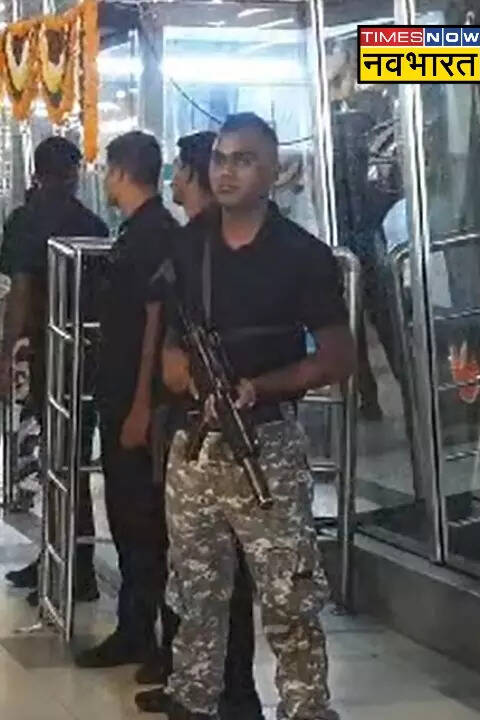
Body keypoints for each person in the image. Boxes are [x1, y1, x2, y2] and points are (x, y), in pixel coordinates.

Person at [155, 113, 354, 720]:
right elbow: (169, 352)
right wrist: (196, 383)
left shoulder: (301, 255)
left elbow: (338, 357)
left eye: (243, 160)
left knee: (290, 596)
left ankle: (305, 707)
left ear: (274, 171)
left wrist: (259, 387)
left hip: (267, 447)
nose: (226, 172)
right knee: (195, 592)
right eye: (220, 159)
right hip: (196, 449)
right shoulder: (188, 246)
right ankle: (194, 698)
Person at [136, 130, 265, 720]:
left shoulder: (245, 248)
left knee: (226, 570)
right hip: (188, 420)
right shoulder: (189, 247)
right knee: (191, 568)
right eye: (218, 164)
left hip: (238, 428)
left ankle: (232, 691)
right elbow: (165, 335)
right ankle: (192, 681)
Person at [0, 136, 109, 604]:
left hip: (49, 352)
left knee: (57, 462)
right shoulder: (92, 223)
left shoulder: (26, 221)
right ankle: (64, 559)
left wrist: (7, 354)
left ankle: (71, 567)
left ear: (35, 174)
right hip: (87, 354)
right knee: (68, 461)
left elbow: (20, 291)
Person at [77, 131, 174, 670]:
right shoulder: (140, 232)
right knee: (128, 513)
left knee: (141, 519)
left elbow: (152, 331)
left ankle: (146, 631)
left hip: (139, 402)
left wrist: (140, 405)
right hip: (122, 395)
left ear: (119, 172)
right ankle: (137, 627)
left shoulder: (152, 237)